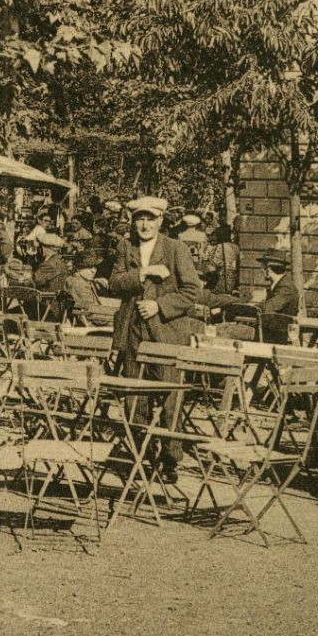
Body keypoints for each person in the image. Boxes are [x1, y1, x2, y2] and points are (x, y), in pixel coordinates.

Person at [108, 195, 203, 480]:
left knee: (169, 395)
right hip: (133, 333)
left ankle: (170, 459)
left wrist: (159, 305)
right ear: (132, 221)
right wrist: (143, 272)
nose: (145, 224)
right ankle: (142, 456)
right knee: (134, 397)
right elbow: (114, 283)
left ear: (161, 221)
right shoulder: (126, 247)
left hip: (167, 334)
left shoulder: (176, 249)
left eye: (150, 218)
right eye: (139, 218)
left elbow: (191, 291)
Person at [63, 249, 106, 324]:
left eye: (95, 267)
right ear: (78, 268)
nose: (93, 271)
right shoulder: (80, 284)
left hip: (88, 319)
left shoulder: (73, 279)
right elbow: (92, 313)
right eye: (89, 267)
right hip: (92, 324)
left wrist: (94, 280)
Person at [31, 230, 69, 295]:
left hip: (46, 300)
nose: (37, 250)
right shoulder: (57, 260)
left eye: (39, 248)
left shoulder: (49, 265)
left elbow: (33, 282)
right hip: (52, 298)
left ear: (44, 248)